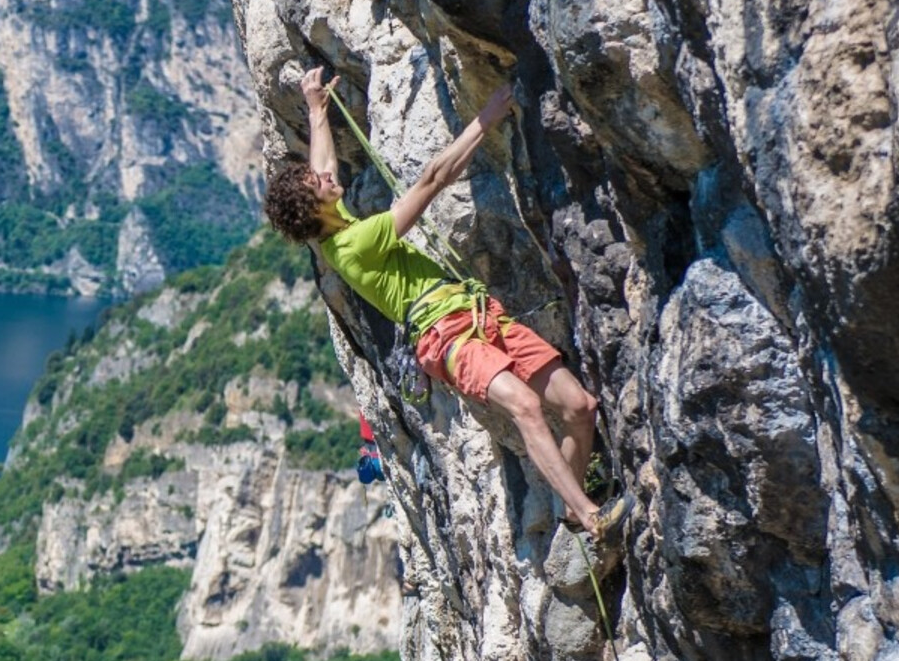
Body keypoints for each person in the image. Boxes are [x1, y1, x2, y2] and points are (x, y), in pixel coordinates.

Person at [263, 66, 630, 539]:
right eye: (318, 185)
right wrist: (487, 118)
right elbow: (433, 179)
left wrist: (316, 109)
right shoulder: (355, 245)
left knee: (579, 406)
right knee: (524, 406)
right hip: (449, 339)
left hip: (480, 316)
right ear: (316, 207)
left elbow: (324, 168)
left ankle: (571, 512)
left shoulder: (337, 224)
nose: (326, 179)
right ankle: (588, 514)